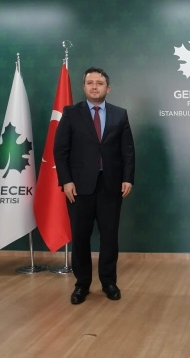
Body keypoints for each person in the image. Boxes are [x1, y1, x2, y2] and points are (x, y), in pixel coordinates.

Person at [54, 67, 135, 305]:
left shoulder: (120, 114)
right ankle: (82, 284)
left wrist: (128, 178)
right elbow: (60, 150)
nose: (94, 87)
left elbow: (128, 151)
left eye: (99, 83)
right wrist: (66, 181)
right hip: (78, 187)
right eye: (90, 82)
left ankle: (109, 282)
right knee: (80, 237)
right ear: (84, 87)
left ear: (108, 88)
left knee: (109, 237)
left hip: (111, 185)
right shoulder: (71, 113)